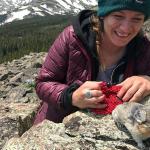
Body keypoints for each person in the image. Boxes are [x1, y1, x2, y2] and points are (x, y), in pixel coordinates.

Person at [34, 0, 150, 124]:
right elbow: (43, 83)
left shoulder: (143, 48)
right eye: (118, 16)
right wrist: (71, 96)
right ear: (103, 15)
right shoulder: (72, 38)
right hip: (56, 127)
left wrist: (147, 80)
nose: (126, 28)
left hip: (112, 133)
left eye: (137, 19)